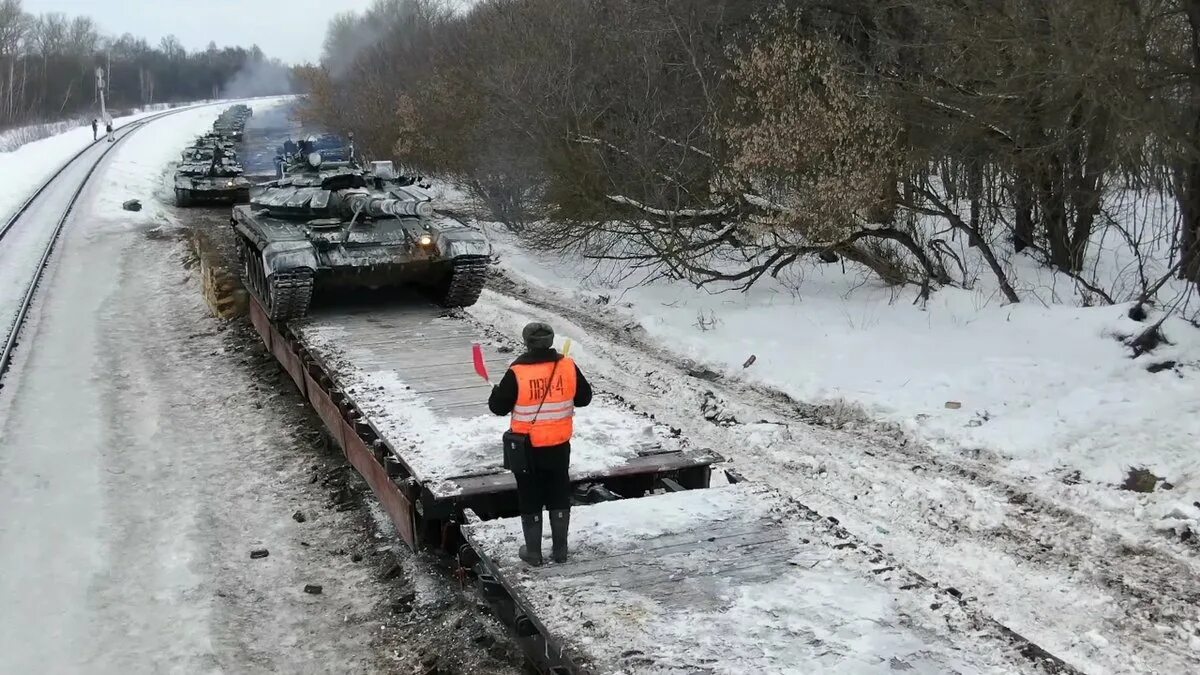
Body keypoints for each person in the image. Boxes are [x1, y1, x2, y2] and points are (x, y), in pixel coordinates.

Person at [488, 322, 592, 566]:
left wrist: (496, 393)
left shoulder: (517, 371)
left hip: (527, 448)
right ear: (551, 341)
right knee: (558, 492)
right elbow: (584, 398)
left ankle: (533, 552)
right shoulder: (567, 365)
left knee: (529, 495)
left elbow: (498, 408)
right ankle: (560, 551)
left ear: (526, 342)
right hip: (558, 444)